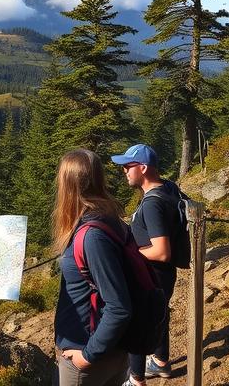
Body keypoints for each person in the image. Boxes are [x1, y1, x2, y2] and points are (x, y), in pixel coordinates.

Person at [54, 148, 132, 386]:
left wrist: (88, 356)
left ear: (68, 185)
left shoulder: (91, 237)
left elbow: (119, 306)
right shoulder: (111, 221)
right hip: (112, 348)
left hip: (89, 355)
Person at [112, 144, 185, 383]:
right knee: (159, 315)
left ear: (142, 168)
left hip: (151, 274)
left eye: (127, 166)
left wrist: (130, 254)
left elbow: (162, 251)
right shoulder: (169, 187)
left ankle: (136, 379)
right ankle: (161, 362)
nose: (124, 171)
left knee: (138, 323)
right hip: (165, 274)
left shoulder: (153, 203)